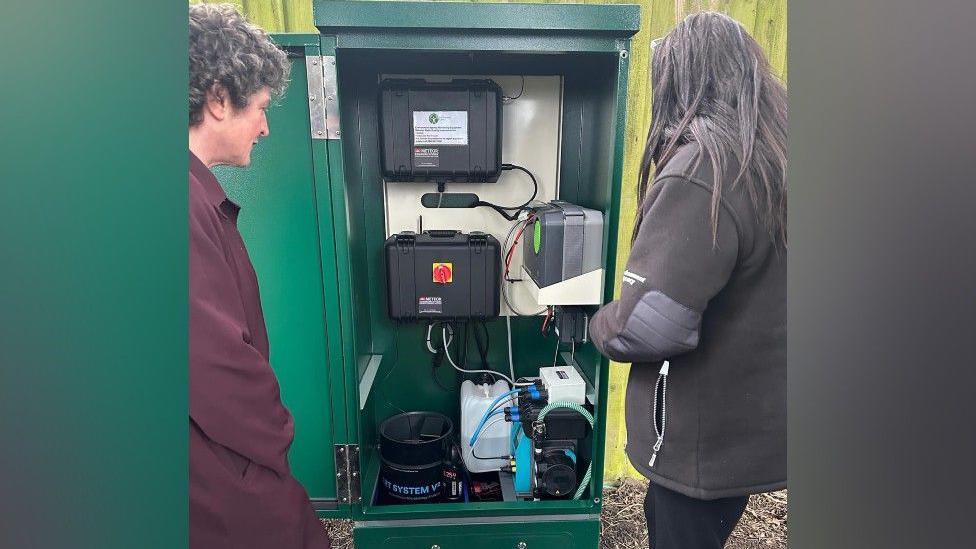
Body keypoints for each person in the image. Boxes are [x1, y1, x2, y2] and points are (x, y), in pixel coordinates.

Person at [589, 12, 787, 549]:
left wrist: (597, 324)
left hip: (700, 442)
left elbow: (650, 327)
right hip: (753, 427)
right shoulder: (775, 158)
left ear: (683, 80)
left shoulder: (706, 169)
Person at [188, 5, 330, 548]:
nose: (267, 126)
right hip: (221, 471)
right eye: (262, 108)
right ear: (219, 98)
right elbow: (213, 362)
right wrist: (275, 438)